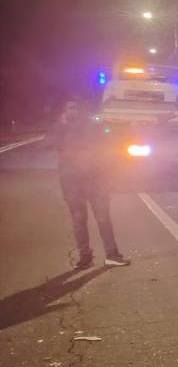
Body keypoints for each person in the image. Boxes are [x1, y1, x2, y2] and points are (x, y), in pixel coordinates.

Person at [46, 99, 130, 268]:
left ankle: (112, 255)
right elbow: (49, 144)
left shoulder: (93, 128)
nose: (74, 111)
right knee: (79, 221)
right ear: (64, 111)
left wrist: (109, 180)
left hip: (96, 182)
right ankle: (85, 257)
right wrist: (61, 126)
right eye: (70, 108)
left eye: (77, 107)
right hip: (72, 184)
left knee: (103, 219)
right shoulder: (60, 129)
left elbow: (108, 152)